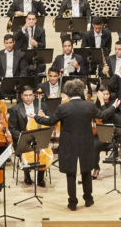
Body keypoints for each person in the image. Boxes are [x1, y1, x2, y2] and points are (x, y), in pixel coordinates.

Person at [36, 79, 112, 209]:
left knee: (71, 174)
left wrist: (35, 117)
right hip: (86, 144)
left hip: (69, 145)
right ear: (81, 90)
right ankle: (88, 199)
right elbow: (103, 115)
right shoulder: (89, 106)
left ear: (68, 92)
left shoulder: (63, 107)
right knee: (86, 171)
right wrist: (114, 107)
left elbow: (50, 122)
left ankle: (72, 202)